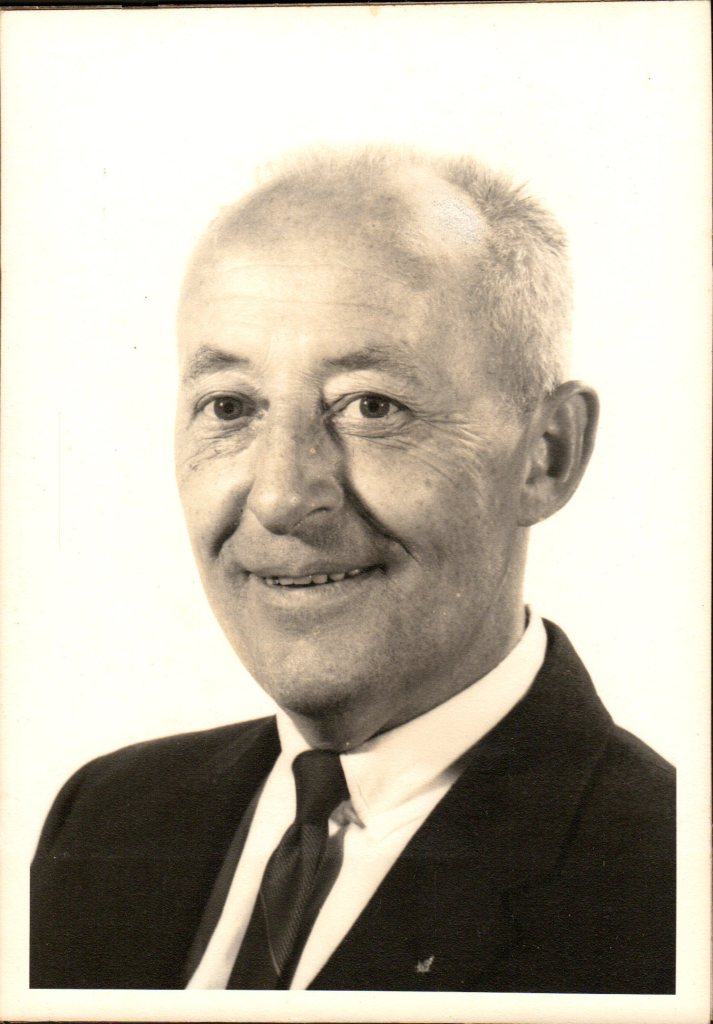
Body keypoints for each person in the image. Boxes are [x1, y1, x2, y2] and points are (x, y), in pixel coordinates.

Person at [30, 148, 675, 994]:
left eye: (372, 406)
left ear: (545, 455)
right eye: (230, 407)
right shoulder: (105, 820)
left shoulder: (665, 885)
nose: (280, 497)